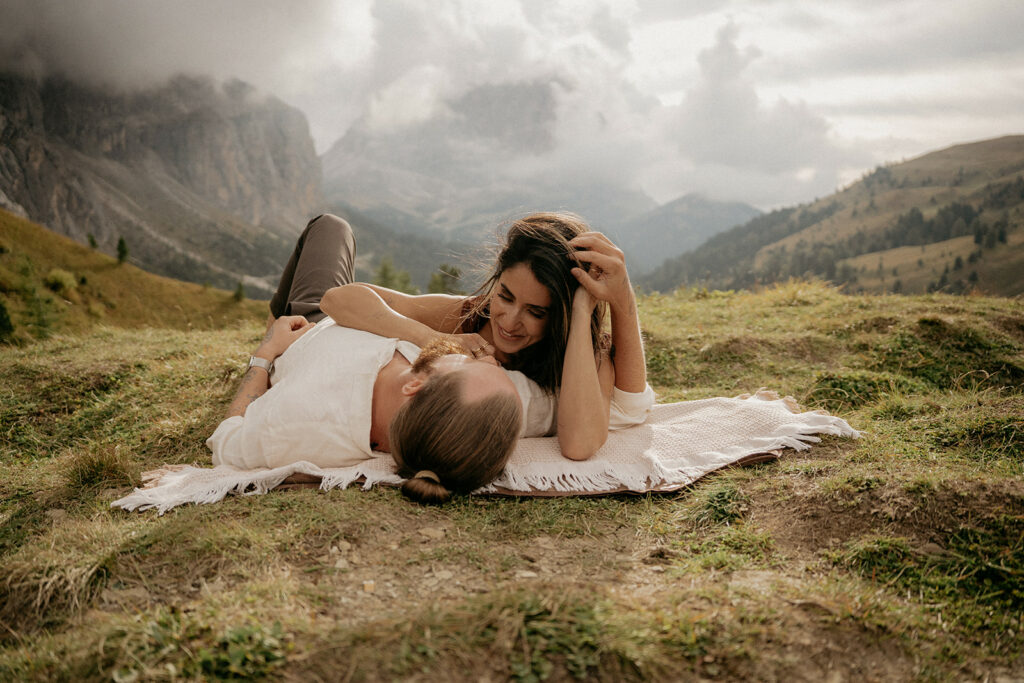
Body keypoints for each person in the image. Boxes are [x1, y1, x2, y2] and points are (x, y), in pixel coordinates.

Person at [208, 216, 523, 504]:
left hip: (307, 326)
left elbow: (226, 443)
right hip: (355, 317)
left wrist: (265, 354)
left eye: (469, 364)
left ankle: (272, 325)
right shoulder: (490, 408)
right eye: (497, 368)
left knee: (329, 227)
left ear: (415, 385)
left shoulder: (302, 424)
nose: (487, 358)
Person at [320, 212, 653, 461]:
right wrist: (431, 337)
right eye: (505, 296)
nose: (509, 321)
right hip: (318, 334)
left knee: (329, 229)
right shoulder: (469, 316)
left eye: (536, 312)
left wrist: (585, 310)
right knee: (329, 229)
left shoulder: (584, 358)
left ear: (561, 318)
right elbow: (336, 299)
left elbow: (581, 445)